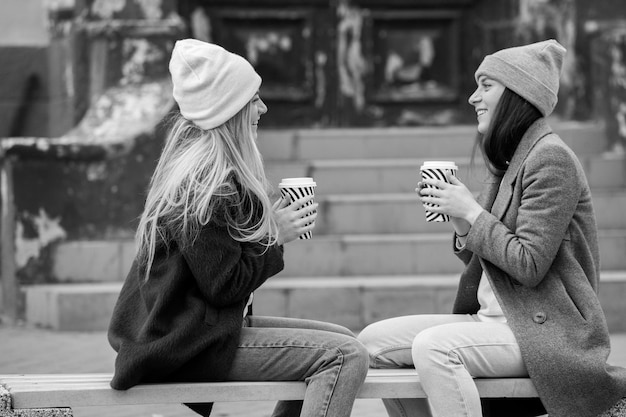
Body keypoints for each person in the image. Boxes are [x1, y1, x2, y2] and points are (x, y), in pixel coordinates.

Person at [357, 39, 626, 417]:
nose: (472, 97)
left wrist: (472, 211)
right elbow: (488, 253)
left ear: (518, 95)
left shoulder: (551, 158)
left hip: (547, 330)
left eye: (486, 86)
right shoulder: (508, 160)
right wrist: (461, 220)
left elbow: (528, 264)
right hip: (496, 319)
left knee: (434, 347)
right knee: (370, 343)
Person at [107, 39, 369, 417]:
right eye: (254, 99)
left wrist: (265, 227)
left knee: (342, 339)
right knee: (345, 356)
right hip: (183, 344)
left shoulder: (211, 176)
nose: (263, 108)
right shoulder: (202, 187)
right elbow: (224, 284)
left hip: (199, 331)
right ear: (229, 110)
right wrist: (274, 236)